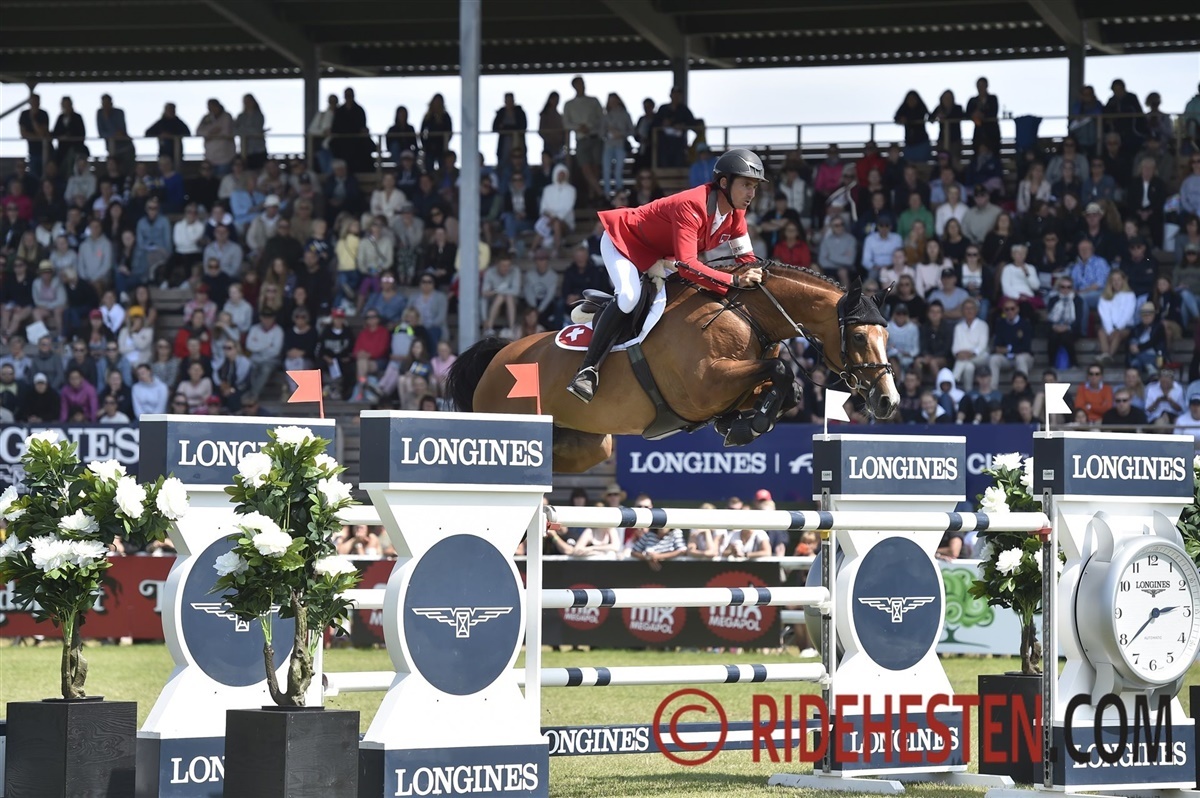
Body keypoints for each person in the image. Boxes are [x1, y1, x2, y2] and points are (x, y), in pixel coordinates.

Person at [565, 148, 766, 402]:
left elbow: (747, 261)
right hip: (624, 241)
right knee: (628, 297)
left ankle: (609, 314)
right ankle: (587, 370)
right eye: (746, 185)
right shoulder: (692, 205)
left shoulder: (736, 215)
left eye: (754, 187)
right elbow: (688, 265)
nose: (751, 194)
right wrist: (734, 281)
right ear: (724, 183)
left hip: (659, 255)